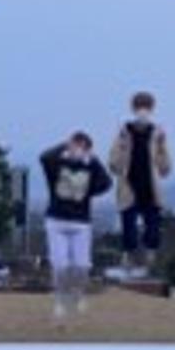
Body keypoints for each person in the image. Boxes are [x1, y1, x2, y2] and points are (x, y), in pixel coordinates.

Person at [40, 132, 112, 320]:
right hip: (56, 220)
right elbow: (44, 157)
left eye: (82, 147)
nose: (77, 150)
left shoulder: (90, 166)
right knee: (60, 265)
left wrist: (94, 160)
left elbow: (106, 183)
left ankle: (78, 295)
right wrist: (64, 145)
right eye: (75, 145)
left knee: (81, 266)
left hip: (81, 223)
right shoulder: (57, 164)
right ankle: (60, 300)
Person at [109, 92, 172, 276]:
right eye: (140, 107)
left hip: (150, 187)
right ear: (133, 109)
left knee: (153, 227)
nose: (143, 111)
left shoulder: (157, 132)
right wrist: (122, 150)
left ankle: (150, 258)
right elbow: (113, 163)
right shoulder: (124, 132)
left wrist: (162, 146)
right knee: (129, 226)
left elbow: (165, 168)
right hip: (129, 185)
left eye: (146, 107)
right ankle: (128, 257)